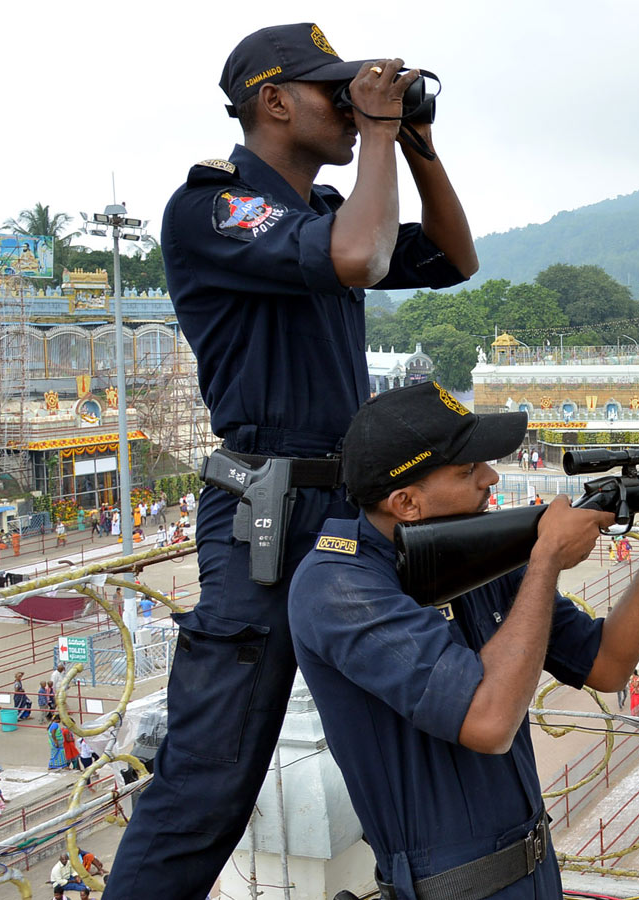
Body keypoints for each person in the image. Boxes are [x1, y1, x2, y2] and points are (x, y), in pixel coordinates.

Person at [103, 24, 483, 897]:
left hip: (345, 512)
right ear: (273, 102)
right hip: (263, 523)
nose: (352, 111)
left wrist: (416, 146)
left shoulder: (320, 216)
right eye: (334, 93)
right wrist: (381, 135)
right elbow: (359, 257)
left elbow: (455, 260)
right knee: (212, 773)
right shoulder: (212, 207)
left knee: (401, 722)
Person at [286, 382, 639, 900]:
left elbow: (609, 664)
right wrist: (546, 559)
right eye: (467, 472)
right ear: (406, 503)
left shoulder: (472, 556)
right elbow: (489, 721)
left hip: (535, 871)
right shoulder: (337, 584)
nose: (492, 478)